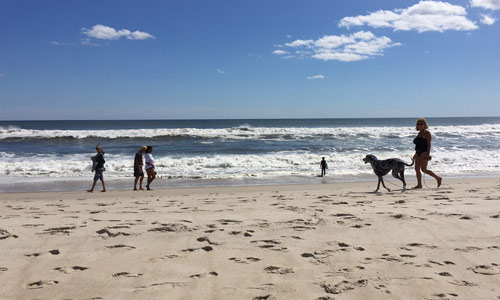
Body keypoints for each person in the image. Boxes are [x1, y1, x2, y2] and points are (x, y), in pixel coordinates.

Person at [413, 118, 442, 188]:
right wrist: (415, 153)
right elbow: (418, 145)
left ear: (424, 125)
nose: (420, 125)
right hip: (418, 153)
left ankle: (438, 178)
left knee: (423, 169)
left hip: (424, 152)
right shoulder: (419, 133)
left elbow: (429, 144)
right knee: (416, 169)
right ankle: (419, 184)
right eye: (418, 124)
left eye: (421, 124)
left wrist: (428, 154)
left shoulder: (427, 133)